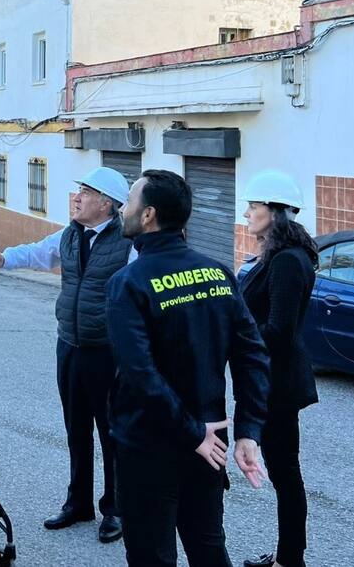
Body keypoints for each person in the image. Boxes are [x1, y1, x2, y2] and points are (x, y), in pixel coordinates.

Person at [105, 169, 271, 567]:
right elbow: (253, 356)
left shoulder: (128, 282)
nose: (121, 209)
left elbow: (140, 373)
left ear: (148, 216)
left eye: (128, 201)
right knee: (209, 550)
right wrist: (248, 431)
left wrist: (195, 432)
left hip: (152, 446)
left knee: (152, 557)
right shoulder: (218, 273)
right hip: (206, 445)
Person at [0, 167, 132, 543]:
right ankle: (78, 502)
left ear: (107, 203)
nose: (76, 197)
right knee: (76, 428)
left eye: (85, 191)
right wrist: (5, 260)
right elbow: (40, 253)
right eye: (79, 189)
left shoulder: (130, 242)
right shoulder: (71, 235)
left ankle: (117, 509)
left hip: (107, 351)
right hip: (71, 345)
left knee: (111, 432)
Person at [238, 171, 319, 567]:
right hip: (272, 379)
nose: (247, 213)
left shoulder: (288, 261)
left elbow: (280, 331)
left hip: (278, 384)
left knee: (286, 475)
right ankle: (289, 557)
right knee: (286, 473)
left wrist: (236, 336)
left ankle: (290, 560)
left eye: (253, 206)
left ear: (275, 211)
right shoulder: (277, 256)